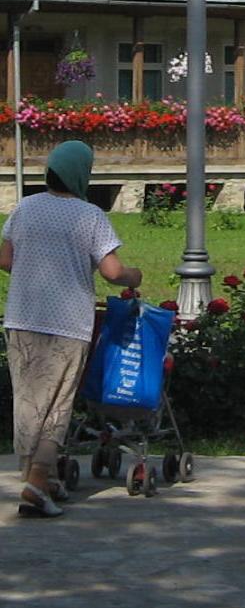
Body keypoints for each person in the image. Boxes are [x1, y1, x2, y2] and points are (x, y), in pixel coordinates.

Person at [1, 140, 142, 519]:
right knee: (56, 406)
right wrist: (135, 275)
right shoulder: (89, 216)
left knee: (28, 402)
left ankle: (38, 479)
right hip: (68, 324)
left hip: (22, 318)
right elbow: (113, 272)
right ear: (83, 173)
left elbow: (5, 258)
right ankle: (37, 482)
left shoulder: (25, 207)